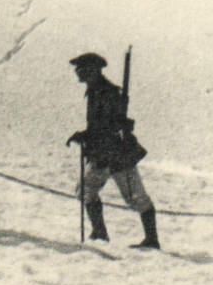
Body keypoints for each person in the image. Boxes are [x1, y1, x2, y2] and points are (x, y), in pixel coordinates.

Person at [67, 53, 158, 249]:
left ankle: (152, 240)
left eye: (80, 68)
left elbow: (107, 128)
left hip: (117, 156)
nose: (77, 72)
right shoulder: (96, 91)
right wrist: (84, 135)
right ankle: (100, 233)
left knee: (136, 198)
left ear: (92, 70)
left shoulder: (107, 93)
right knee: (86, 190)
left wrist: (86, 136)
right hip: (103, 154)